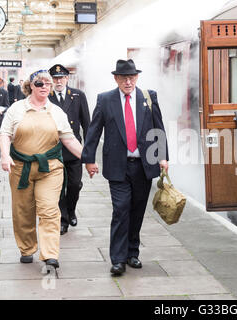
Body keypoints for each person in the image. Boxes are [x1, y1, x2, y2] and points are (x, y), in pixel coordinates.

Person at [82, 59, 169, 276]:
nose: (128, 81)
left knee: (137, 210)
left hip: (143, 165)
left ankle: (132, 253)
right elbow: (93, 131)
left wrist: (163, 157)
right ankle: (118, 259)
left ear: (137, 77)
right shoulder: (105, 100)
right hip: (118, 166)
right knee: (121, 210)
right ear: (116, 79)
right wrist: (89, 159)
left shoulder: (148, 98)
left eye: (131, 77)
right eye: (123, 78)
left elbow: (159, 128)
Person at [0, 70, 83, 270]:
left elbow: (69, 139)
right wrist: (4, 154)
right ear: (30, 86)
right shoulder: (17, 109)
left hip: (50, 168)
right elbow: (4, 134)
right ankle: (27, 248)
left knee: (49, 210)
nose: (44, 86)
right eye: (39, 83)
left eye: (47, 83)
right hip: (20, 167)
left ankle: (50, 254)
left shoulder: (56, 112)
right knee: (23, 211)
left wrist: (87, 159)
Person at [48, 64, 91, 235]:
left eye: (61, 77)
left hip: (74, 149)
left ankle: (71, 209)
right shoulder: (46, 95)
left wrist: (88, 151)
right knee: (58, 187)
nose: (58, 81)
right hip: (53, 149)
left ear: (67, 78)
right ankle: (63, 219)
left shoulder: (78, 95)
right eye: (55, 78)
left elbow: (87, 124)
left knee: (74, 184)